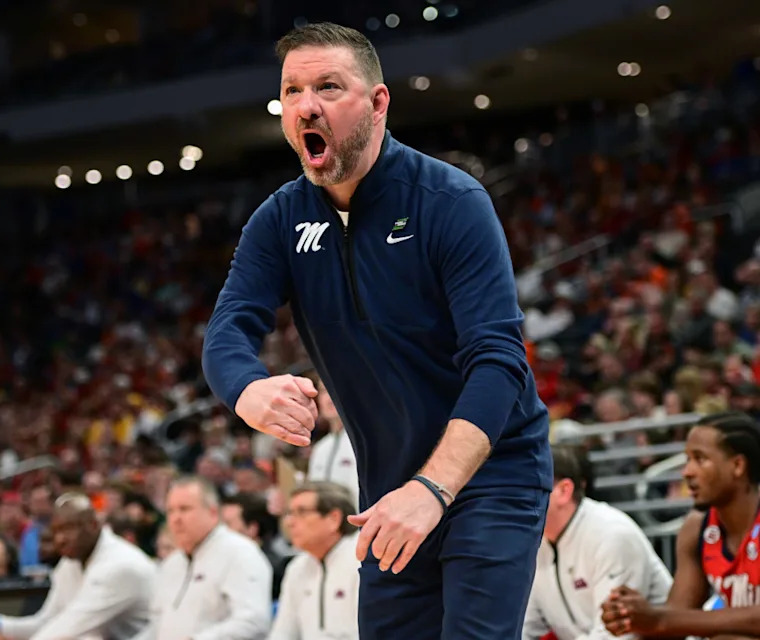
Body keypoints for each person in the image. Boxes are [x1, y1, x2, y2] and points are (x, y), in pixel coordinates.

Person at [201, 21, 551, 638]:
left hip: (491, 473)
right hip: (387, 486)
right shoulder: (279, 220)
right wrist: (247, 389)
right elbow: (228, 329)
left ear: (378, 102)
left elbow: (499, 361)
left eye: (329, 87)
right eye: (293, 91)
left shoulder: (450, 201)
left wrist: (434, 488)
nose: (306, 105)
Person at [600, 412, 760, 638]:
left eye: (700, 459)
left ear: (737, 465)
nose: (687, 472)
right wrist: (632, 615)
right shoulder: (697, 528)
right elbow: (679, 615)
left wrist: (660, 620)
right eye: (687, 459)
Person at [523, 446, 672, 639]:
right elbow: (524, 627)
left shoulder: (612, 533)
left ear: (563, 491)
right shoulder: (535, 543)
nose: (512, 499)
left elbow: (615, 636)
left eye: (525, 487)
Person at [0, 493, 155, 640]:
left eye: (68, 528)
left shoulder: (121, 565)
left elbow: (69, 628)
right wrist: (0, 624)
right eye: (56, 530)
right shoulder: (71, 561)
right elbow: (47, 622)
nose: (60, 539)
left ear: (93, 525)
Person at [135, 476, 272, 640]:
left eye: (184, 509)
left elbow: (253, 622)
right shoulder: (171, 564)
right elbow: (157, 625)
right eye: (170, 511)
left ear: (213, 513)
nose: (176, 519)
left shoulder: (240, 553)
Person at [269, 481, 360, 640]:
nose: (289, 522)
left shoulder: (362, 561)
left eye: (301, 512)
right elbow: (282, 633)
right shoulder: (297, 567)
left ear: (334, 519)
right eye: (289, 513)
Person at [307, 381, 359, 510]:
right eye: (324, 390)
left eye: (335, 388)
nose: (329, 396)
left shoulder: (366, 443)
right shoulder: (320, 448)